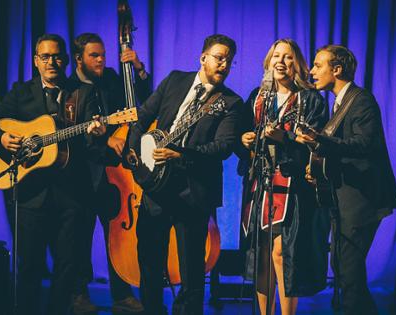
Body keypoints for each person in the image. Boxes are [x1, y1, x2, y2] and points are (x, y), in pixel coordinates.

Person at [0, 34, 106, 315]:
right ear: (36, 61)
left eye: (57, 56)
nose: (51, 62)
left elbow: (92, 148)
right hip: (30, 195)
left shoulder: (82, 93)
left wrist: (96, 133)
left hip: (71, 196)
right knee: (30, 267)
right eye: (45, 57)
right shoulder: (21, 93)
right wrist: (1, 140)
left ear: (66, 60)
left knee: (67, 266)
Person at [125, 34, 242, 315]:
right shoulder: (175, 80)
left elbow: (223, 147)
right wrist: (133, 153)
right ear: (203, 58)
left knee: (191, 271)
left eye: (229, 60)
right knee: (150, 263)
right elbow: (142, 117)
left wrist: (181, 156)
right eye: (219, 57)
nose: (224, 64)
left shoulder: (231, 102)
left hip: (193, 191)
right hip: (155, 187)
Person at [302, 44, 396, 315]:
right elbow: (340, 149)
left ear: (337, 69)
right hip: (344, 198)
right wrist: (318, 161)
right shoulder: (340, 104)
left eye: (318, 65)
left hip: (363, 200)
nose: (311, 72)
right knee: (345, 269)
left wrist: (321, 140)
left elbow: (363, 144)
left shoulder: (361, 100)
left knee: (348, 268)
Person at [238, 39, 330, 315]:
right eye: (276, 56)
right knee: (262, 254)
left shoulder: (311, 100)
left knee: (283, 253)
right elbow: (240, 135)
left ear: (297, 65)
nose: (281, 62)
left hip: (293, 187)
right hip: (260, 183)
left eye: (288, 57)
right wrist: (243, 140)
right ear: (268, 63)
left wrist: (285, 138)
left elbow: (316, 145)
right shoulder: (257, 97)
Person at [68, 32, 152, 314]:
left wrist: (137, 68)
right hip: (81, 175)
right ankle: (78, 293)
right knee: (79, 238)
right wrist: (105, 139)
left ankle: (122, 293)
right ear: (78, 59)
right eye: (94, 56)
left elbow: (145, 102)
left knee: (116, 238)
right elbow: (69, 134)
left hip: (117, 176)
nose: (102, 60)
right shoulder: (68, 90)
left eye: (103, 54)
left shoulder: (114, 79)